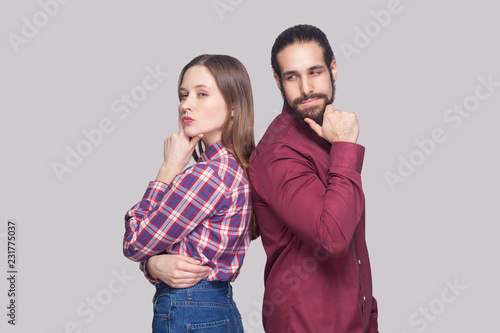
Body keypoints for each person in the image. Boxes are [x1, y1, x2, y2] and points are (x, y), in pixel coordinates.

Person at [248, 24, 379, 332]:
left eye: (315, 72)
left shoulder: (326, 137)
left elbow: (354, 247)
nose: (306, 88)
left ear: (333, 69)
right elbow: (332, 237)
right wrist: (346, 147)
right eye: (292, 76)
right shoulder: (278, 153)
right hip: (306, 323)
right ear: (278, 82)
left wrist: (368, 316)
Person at [123, 54, 258, 333]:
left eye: (202, 94)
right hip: (219, 306)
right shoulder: (238, 166)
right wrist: (153, 266)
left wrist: (168, 167)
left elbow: (135, 243)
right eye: (183, 94)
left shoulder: (209, 174)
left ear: (233, 106)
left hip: (190, 307)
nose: (186, 104)